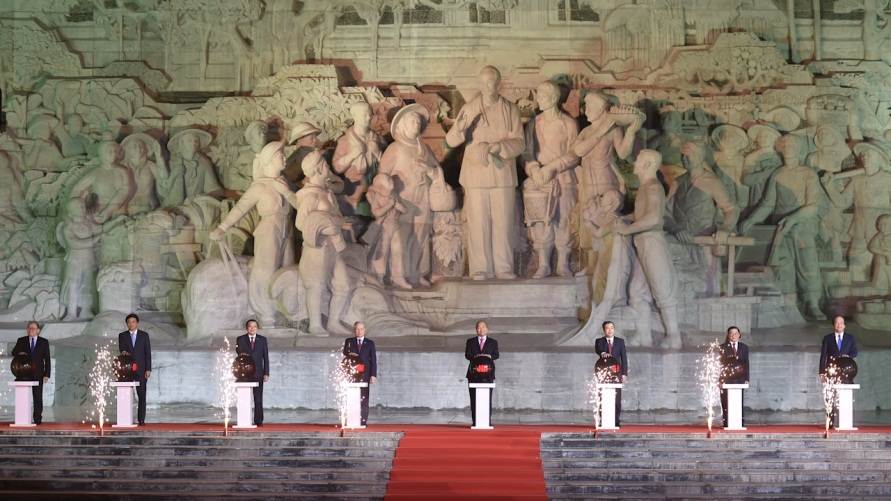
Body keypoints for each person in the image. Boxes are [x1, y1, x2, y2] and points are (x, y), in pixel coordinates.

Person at [446, 66, 525, 280]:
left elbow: (519, 143)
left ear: (499, 83)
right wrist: (460, 128)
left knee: (503, 222)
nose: (486, 86)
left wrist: (498, 147)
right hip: (475, 174)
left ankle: (504, 267)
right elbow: (451, 141)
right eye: (482, 82)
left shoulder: (510, 109)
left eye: (490, 82)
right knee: (478, 223)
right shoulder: (470, 108)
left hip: (502, 174)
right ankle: (480, 268)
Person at [739, 134, 824, 320]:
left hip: (802, 225)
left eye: (794, 144)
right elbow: (768, 203)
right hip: (780, 226)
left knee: (807, 262)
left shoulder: (808, 173)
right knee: (783, 264)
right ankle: (788, 302)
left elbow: (813, 205)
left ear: (799, 148)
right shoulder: (777, 173)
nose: (789, 147)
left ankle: (812, 303)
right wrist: (751, 220)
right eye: (785, 144)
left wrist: (794, 218)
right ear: (780, 148)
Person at [211, 141, 297, 326]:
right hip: (269, 229)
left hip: (287, 229)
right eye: (280, 155)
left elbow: (301, 205)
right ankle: (265, 312)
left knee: (287, 269)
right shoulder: (259, 186)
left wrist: (288, 192)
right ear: (271, 160)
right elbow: (241, 207)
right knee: (266, 270)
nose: (284, 158)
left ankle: (284, 310)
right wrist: (223, 228)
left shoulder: (284, 183)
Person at [613, 150, 683, 349]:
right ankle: (644, 336)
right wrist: (624, 219)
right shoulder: (646, 188)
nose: (634, 162)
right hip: (642, 242)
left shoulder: (653, 187)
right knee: (637, 292)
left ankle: (674, 337)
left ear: (647, 164)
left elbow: (652, 219)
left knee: (663, 290)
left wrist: (627, 228)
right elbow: (641, 215)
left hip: (652, 242)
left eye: (638, 159)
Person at [379, 104, 445, 286]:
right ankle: (398, 275)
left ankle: (417, 273)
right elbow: (381, 176)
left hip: (423, 197)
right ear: (402, 125)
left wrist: (429, 171)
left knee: (422, 236)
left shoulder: (425, 148)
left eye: (418, 121)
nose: (416, 124)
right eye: (412, 121)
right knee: (402, 237)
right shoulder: (395, 148)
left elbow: (438, 172)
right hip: (403, 199)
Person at [520, 80, 579, 278]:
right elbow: (526, 152)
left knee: (563, 220)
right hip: (540, 180)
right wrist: (534, 168)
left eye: (542, 96)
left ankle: (563, 263)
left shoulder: (568, 123)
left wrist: (554, 166)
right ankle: (544, 264)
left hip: (564, 179)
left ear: (554, 98)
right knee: (541, 221)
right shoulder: (534, 124)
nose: (538, 100)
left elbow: (575, 154)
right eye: (538, 96)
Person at [333, 102, 386, 216]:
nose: (368, 118)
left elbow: (389, 165)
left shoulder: (378, 139)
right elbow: (336, 168)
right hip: (353, 188)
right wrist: (351, 156)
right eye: (364, 115)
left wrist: (378, 153)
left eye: (370, 114)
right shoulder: (345, 141)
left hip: (376, 188)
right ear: (354, 116)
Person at [819, 316, 859, 427]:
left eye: (841, 323)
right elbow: (823, 357)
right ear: (833, 325)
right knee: (830, 397)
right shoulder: (827, 339)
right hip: (831, 373)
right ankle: (830, 422)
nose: (839, 325)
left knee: (844, 398)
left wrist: (848, 356)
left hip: (846, 373)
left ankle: (845, 422)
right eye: (837, 323)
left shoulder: (850, 338)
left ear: (844, 325)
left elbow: (855, 352)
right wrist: (822, 373)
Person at [12, 321, 51, 425]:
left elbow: (47, 359)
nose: (31, 330)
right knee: (24, 396)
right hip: (24, 374)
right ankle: (23, 419)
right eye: (29, 328)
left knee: (38, 397)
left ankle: (38, 420)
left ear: (38, 330)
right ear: (27, 330)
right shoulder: (21, 340)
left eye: (33, 328)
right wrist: (19, 353)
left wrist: (47, 374)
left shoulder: (44, 342)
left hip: (38, 373)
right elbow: (13, 352)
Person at [118, 313, 152, 426]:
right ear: (126, 324)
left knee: (142, 395)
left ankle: (141, 419)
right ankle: (125, 419)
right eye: (128, 322)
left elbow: (148, 353)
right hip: (127, 371)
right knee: (125, 395)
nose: (131, 324)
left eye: (133, 322)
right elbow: (121, 348)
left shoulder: (144, 335)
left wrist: (148, 369)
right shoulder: (122, 335)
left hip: (141, 370)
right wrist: (123, 352)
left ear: (137, 323)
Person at [342, 321, 377, 426]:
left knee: (364, 398)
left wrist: (373, 375)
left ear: (365, 330)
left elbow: (373, 360)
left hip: (365, 374)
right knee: (351, 397)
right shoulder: (349, 341)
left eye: (361, 329)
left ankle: (363, 421)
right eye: (357, 329)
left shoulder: (370, 343)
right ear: (354, 330)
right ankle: (351, 420)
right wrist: (350, 354)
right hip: (352, 374)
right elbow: (345, 352)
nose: (359, 331)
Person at [465, 320, 500, 426]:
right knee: (474, 398)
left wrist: (489, 356)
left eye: (483, 327)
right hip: (474, 373)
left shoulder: (493, 342)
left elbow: (496, 355)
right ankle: (475, 421)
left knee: (487, 398)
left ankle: (487, 421)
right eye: (479, 327)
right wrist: (475, 357)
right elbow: (467, 355)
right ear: (476, 330)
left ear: (487, 329)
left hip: (488, 374)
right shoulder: (470, 341)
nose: (481, 329)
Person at [236, 319, 269, 427]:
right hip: (245, 373)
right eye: (250, 326)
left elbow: (266, 358)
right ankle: (245, 419)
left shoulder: (262, 340)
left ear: (257, 328)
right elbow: (239, 353)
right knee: (244, 398)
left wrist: (266, 373)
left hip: (259, 373)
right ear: (247, 328)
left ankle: (258, 421)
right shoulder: (240, 339)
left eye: (254, 326)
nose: (252, 328)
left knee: (258, 398)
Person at [594, 321, 627, 427]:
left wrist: (624, 374)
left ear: (614, 329)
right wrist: (603, 353)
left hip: (617, 373)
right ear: (604, 330)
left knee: (617, 398)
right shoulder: (599, 341)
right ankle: (602, 421)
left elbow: (624, 358)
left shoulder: (620, 341)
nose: (610, 330)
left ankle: (616, 421)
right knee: (602, 397)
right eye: (607, 328)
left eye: (612, 328)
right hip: (603, 373)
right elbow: (598, 350)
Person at [719, 326, 749, 428]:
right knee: (726, 401)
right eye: (731, 333)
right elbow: (721, 365)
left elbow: (746, 364)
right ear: (728, 335)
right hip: (727, 379)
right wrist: (720, 380)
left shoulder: (744, 347)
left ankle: (740, 423)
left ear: (739, 335)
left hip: (740, 379)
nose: (734, 335)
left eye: (736, 333)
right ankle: (726, 423)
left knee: (739, 402)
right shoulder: (723, 347)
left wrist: (747, 379)